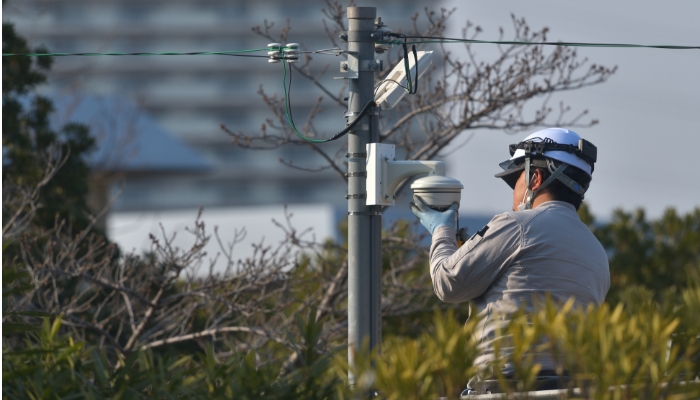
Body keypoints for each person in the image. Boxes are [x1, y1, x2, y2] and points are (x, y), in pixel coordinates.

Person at [410, 128, 610, 393]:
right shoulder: (596, 250)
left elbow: (447, 283)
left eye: (516, 179)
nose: (513, 195)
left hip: (506, 385)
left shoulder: (517, 225)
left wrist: (440, 231)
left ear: (535, 178)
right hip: (571, 387)